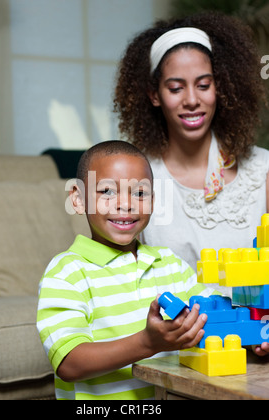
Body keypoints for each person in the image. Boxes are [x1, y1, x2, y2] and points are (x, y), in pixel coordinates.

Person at [37, 140, 217, 400]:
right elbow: (69, 363)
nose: (126, 204)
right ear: (78, 199)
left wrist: (256, 334)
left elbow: (211, 316)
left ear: (153, 201)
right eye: (108, 191)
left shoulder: (169, 264)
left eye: (140, 193)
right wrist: (147, 343)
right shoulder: (66, 272)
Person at [114, 11, 269, 275]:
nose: (191, 100)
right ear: (155, 95)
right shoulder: (136, 181)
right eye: (176, 88)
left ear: (219, 88)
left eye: (204, 85)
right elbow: (119, 282)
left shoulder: (263, 170)